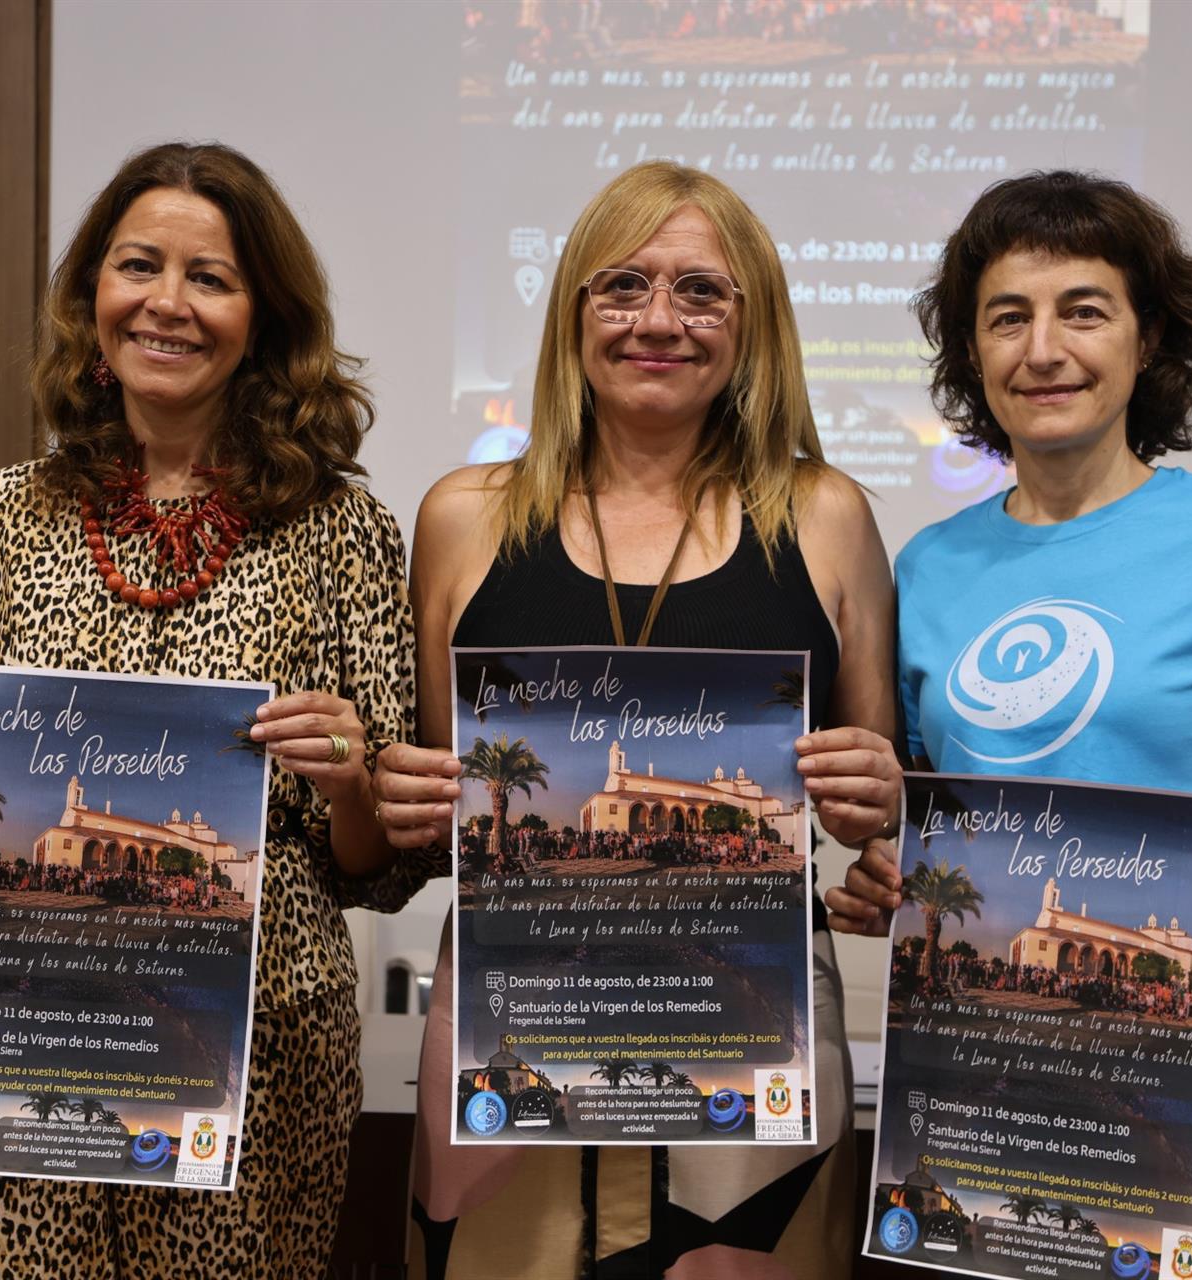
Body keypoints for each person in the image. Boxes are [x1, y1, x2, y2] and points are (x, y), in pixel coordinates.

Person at [0, 142, 443, 1279]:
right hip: (16, 1052)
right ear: (92, 298)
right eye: (138, 266)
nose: (168, 302)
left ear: (263, 316)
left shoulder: (344, 531)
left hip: (255, 1073)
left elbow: (375, 866)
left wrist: (351, 781)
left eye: (210, 277)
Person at [826, 170, 1192, 1279]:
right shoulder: (928, 567)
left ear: (1147, 336)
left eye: (1083, 309)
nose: (1044, 349)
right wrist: (895, 868)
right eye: (1008, 316)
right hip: (985, 1062)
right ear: (972, 353)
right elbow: (930, 805)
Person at [371, 160, 902, 1278]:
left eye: (701, 291)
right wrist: (401, 791)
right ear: (574, 311)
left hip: (752, 1043)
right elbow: (430, 810)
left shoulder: (826, 515)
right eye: (623, 286)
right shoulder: (463, 518)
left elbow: (879, 813)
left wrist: (880, 799)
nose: (659, 320)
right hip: (510, 1029)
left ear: (754, 324)